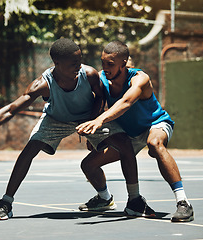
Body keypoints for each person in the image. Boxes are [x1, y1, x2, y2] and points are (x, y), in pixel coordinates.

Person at [0, 38, 145, 220]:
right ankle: (6, 202)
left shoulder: (89, 74)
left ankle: (134, 200)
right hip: (56, 119)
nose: (78, 66)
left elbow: (100, 96)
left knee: (124, 143)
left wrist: (93, 119)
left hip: (88, 117)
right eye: (73, 63)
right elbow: (11, 109)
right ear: (57, 63)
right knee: (29, 150)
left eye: (79, 61)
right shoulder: (43, 84)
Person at [76, 40, 194, 222]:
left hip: (154, 125)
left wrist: (99, 120)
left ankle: (183, 203)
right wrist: (93, 136)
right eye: (103, 63)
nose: (105, 68)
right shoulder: (102, 79)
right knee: (88, 165)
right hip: (129, 134)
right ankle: (106, 199)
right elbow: (97, 102)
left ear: (123, 63)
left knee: (154, 144)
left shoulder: (140, 78)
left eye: (110, 64)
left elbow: (126, 102)